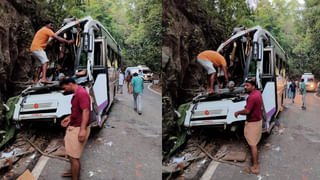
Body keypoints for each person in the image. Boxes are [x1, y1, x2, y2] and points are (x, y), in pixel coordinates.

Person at [59, 78, 91, 180]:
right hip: (74, 126)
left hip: (78, 128)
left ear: (70, 84)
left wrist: (82, 130)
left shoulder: (81, 93)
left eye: (65, 88)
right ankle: (73, 171)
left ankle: (75, 177)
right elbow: (78, 110)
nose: (65, 91)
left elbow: (86, 111)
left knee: (74, 157)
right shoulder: (77, 93)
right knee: (70, 153)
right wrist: (69, 118)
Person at [234, 78, 262, 174]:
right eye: (245, 85)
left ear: (253, 86)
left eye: (247, 85)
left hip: (253, 123)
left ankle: (255, 167)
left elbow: (247, 111)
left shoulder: (251, 97)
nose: (245, 87)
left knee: (253, 145)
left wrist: (238, 112)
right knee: (254, 143)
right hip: (258, 121)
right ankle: (256, 161)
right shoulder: (258, 93)